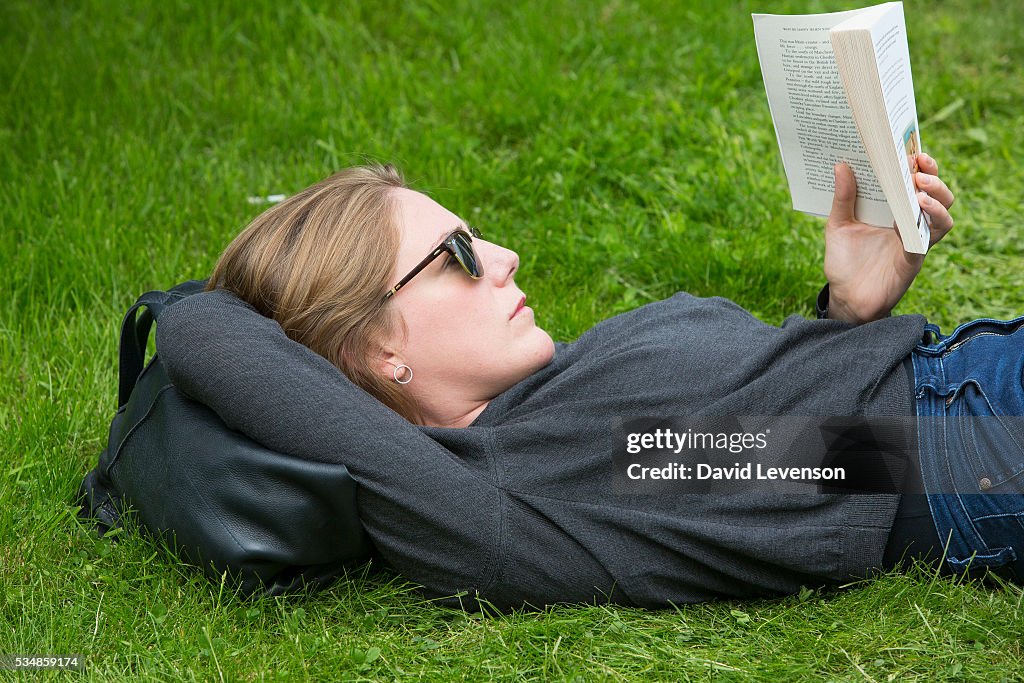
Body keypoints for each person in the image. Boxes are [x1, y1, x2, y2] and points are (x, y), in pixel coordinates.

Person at [155, 155, 1024, 610]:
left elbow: (774, 461)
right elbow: (204, 326)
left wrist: (846, 318)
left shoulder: (556, 430)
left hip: (964, 408)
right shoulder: (482, 497)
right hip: (983, 432)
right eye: (454, 256)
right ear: (372, 352)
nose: (502, 258)